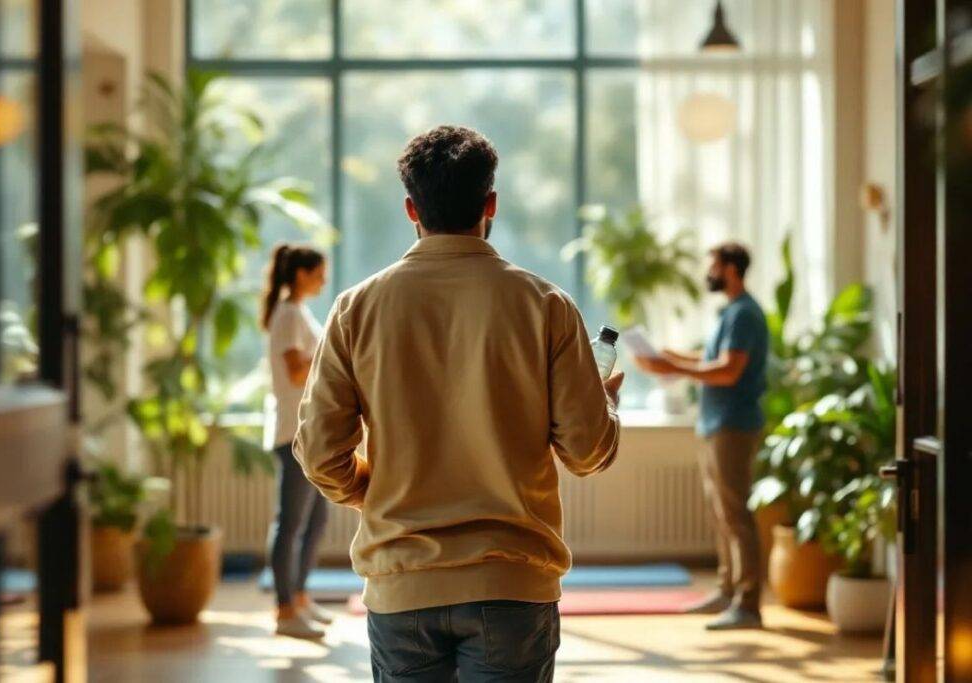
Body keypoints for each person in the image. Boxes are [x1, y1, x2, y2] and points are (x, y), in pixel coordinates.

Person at [293, 125, 624, 681]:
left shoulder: (357, 308)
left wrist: (378, 490)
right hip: (513, 585)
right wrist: (606, 405)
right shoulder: (546, 306)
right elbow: (587, 452)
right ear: (490, 202)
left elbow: (321, 454)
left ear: (409, 208)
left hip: (402, 581)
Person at [636, 242, 769, 631]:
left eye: (713, 265)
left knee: (736, 514)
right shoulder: (731, 313)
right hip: (716, 423)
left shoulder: (744, 314)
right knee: (720, 515)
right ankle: (728, 591)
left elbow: (728, 372)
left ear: (730, 268)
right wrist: (669, 358)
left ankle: (748, 604)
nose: (708, 272)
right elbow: (711, 361)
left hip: (734, 424)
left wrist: (672, 364)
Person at [260, 243, 336, 639]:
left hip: (307, 431)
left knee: (316, 519)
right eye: (319, 272)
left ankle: (300, 599)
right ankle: (284, 609)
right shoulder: (288, 314)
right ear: (302, 273)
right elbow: (294, 372)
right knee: (290, 523)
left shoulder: (297, 312)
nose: (324, 279)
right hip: (292, 433)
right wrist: (330, 352)